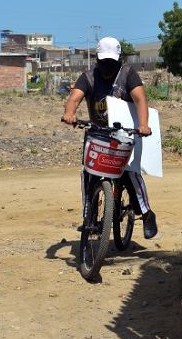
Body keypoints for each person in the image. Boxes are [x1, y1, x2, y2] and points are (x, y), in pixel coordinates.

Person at [61, 36, 158, 239]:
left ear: (118, 59)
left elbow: (140, 99)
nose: (107, 66)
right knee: (88, 173)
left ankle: (147, 213)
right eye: (103, 61)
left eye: (111, 62)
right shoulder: (88, 77)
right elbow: (75, 98)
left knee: (131, 173)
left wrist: (143, 125)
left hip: (123, 135)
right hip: (97, 134)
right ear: (97, 59)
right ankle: (90, 217)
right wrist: (70, 114)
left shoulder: (128, 74)